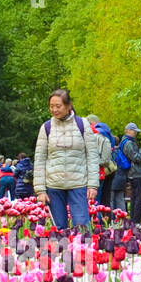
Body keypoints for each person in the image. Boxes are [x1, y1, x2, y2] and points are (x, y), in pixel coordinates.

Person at [33, 87, 100, 231]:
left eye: (58, 106)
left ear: (68, 106)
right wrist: (40, 190)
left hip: (78, 184)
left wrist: (93, 185)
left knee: (82, 229)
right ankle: (61, 254)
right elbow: (40, 159)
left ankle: (84, 253)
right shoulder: (46, 127)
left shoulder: (83, 124)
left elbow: (92, 156)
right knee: (59, 230)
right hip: (54, 186)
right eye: (51, 106)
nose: (54, 110)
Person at [110, 123, 141, 222]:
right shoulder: (128, 143)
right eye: (134, 131)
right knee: (138, 199)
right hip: (136, 174)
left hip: (133, 173)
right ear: (128, 131)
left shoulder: (126, 142)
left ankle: (134, 221)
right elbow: (137, 158)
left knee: (135, 198)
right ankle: (136, 221)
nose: (136, 133)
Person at [86, 114, 117, 208]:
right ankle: (103, 220)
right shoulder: (107, 133)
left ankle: (95, 221)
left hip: (91, 172)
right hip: (104, 171)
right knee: (102, 198)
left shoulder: (89, 134)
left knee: (92, 200)